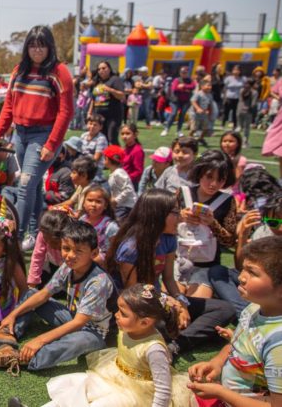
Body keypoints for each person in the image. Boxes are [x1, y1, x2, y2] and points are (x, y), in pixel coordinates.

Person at [105, 189, 235, 358]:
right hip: (136, 304)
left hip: (157, 298)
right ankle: (182, 335)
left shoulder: (168, 238)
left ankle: (175, 345)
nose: (180, 217)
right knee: (158, 324)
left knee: (225, 309)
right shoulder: (131, 248)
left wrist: (181, 302)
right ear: (156, 215)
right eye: (175, 212)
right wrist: (171, 304)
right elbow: (134, 294)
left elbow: (168, 278)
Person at [0, 220, 115, 374]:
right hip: (73, 317)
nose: (70, 255)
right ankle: (9, 333)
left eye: (78, 251)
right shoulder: (68, 267)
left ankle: (18, 357)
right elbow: (44, 294)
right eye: (66, 248)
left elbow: (79, 323)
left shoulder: (98, 282)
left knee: (75, 342)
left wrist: (40, 340)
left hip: (96, 332)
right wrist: (13, 315)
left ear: (94, 254)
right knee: (32, 293)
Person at [0, 25, 74, 247]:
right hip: (21, 133)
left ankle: (13, 238)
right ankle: (35, 234)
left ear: (49, 47)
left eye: (41, 45)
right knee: (34, 185)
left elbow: (66, 112)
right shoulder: (19, 70)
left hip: (43, 136)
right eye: (32, 45)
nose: (37, 50)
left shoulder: (59, 71)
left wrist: (51, 143)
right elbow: (9, 104)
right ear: (27, 47)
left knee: (25, 184)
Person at [44, 283, 192, 407]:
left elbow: (163, 391)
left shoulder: (154, 349)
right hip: (115, 374)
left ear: (144, 322)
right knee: (77, 388)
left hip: (138, 394)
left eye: (123, 314)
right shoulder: (128, 328)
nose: (116, 315)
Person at [187, 236, 282, 406]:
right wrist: (216, 363)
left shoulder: (278, 344)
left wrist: (222, 393)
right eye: (243, 269)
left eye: (252, 272)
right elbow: (237, 344)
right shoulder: (253, 307)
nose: (241, 277)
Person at [177, 150, 237, 299]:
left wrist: (213, 223)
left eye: (220, 180)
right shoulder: (182, 193)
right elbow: (162, 226)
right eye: (209, 177)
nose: (213, 184)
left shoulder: (228, 201)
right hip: (177, 261)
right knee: (172, 302)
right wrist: (180, 217)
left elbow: (230, 241)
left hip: (207, 266)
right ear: (199, 173)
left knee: (196, 304)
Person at [26, 210, 72, 287]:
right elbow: (38, 256)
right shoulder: (43, 234)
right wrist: (32, 282)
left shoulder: (72, 236)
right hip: (53, 264)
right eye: (47, 241)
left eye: (55, 243)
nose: (51, 245)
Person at [79, 185, 119, 266]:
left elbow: (116, 250)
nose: (93, 204)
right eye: (90, 200)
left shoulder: (110, 227)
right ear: (83, 203)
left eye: (98, 201)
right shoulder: (81, 220)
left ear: (105, 205)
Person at [89, 61, 125, 144]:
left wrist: (110, 90)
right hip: (99, 116)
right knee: (101, 138)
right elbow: (93, 99)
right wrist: (90, 112)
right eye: (99, 69)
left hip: (113, 115)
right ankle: (104, 156)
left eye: (104, 68)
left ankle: (116, 155)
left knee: (111, 137)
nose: (101, 70)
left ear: (109, 69)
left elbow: (122, 95)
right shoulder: (97, 82)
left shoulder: (115, 80)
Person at [102, 145, 138, 220]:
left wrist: (116, 200)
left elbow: (128, 189)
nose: (103, 161)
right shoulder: (114, 173)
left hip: (126, 206)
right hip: (120, 205)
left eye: (104, 158)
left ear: (109, 160)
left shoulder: (119, 173)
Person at [162, 66, 197, 137]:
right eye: (181, 72)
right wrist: (186, 89)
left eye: (185, 72)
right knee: (173, 113)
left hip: (186, 101)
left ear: (187, 73)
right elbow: (174, 88)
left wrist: (183, 86)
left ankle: (179, 130)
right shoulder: (176, 80)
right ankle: (166, 129)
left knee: (182, 115)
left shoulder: (190, 80)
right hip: (175, 100)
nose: (183, 74)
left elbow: (193, 86)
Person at [80, 114, 109, 184]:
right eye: (90, 124)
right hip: (81, 165)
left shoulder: (101, 139)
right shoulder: (83, 135)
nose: (92, 127)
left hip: (94, 169)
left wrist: (82, 165)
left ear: (101, 127)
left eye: (95, 125)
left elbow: (96, 158)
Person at [190, 78, 213, 146]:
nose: (210, 87)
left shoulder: (210, 95)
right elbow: (193, 101)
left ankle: (200, 138)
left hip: (204, 114)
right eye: (208, 85)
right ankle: (189, 138)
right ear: (202, 86)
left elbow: (210, 104)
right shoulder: (198, 94)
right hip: (195, 114)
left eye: (210, 85)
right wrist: (198, 108)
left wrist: (209, 112)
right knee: (194, 129)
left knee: (205, 128)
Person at [120, 123, 144, 189]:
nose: (124, 136)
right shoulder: (126, 148)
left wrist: (126, 178)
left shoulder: (137, 150)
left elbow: (138, 171)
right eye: (122, 134)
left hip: (131, 184)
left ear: (135, 135)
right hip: (123, 181)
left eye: (128, 133)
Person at [222, 65, 245, 129]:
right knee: (226, 111)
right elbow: (225, 88)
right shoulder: (228, 78)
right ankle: (223, 123)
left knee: (235, 112)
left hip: (238, 98)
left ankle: (235, 125)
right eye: (234, 70)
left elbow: (245, 87)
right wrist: (224, 97)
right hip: (229, 97)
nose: (236, 71)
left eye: (237, 70)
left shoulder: (243, 79)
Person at [237, 78, 258, 147]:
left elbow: (240, 100)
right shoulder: (254, 92)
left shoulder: (241, 90)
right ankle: (244, 142)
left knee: (239, 127)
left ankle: (236, 139)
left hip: (239, 110)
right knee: (246, 127)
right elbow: (253, 104)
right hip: (248, 111)